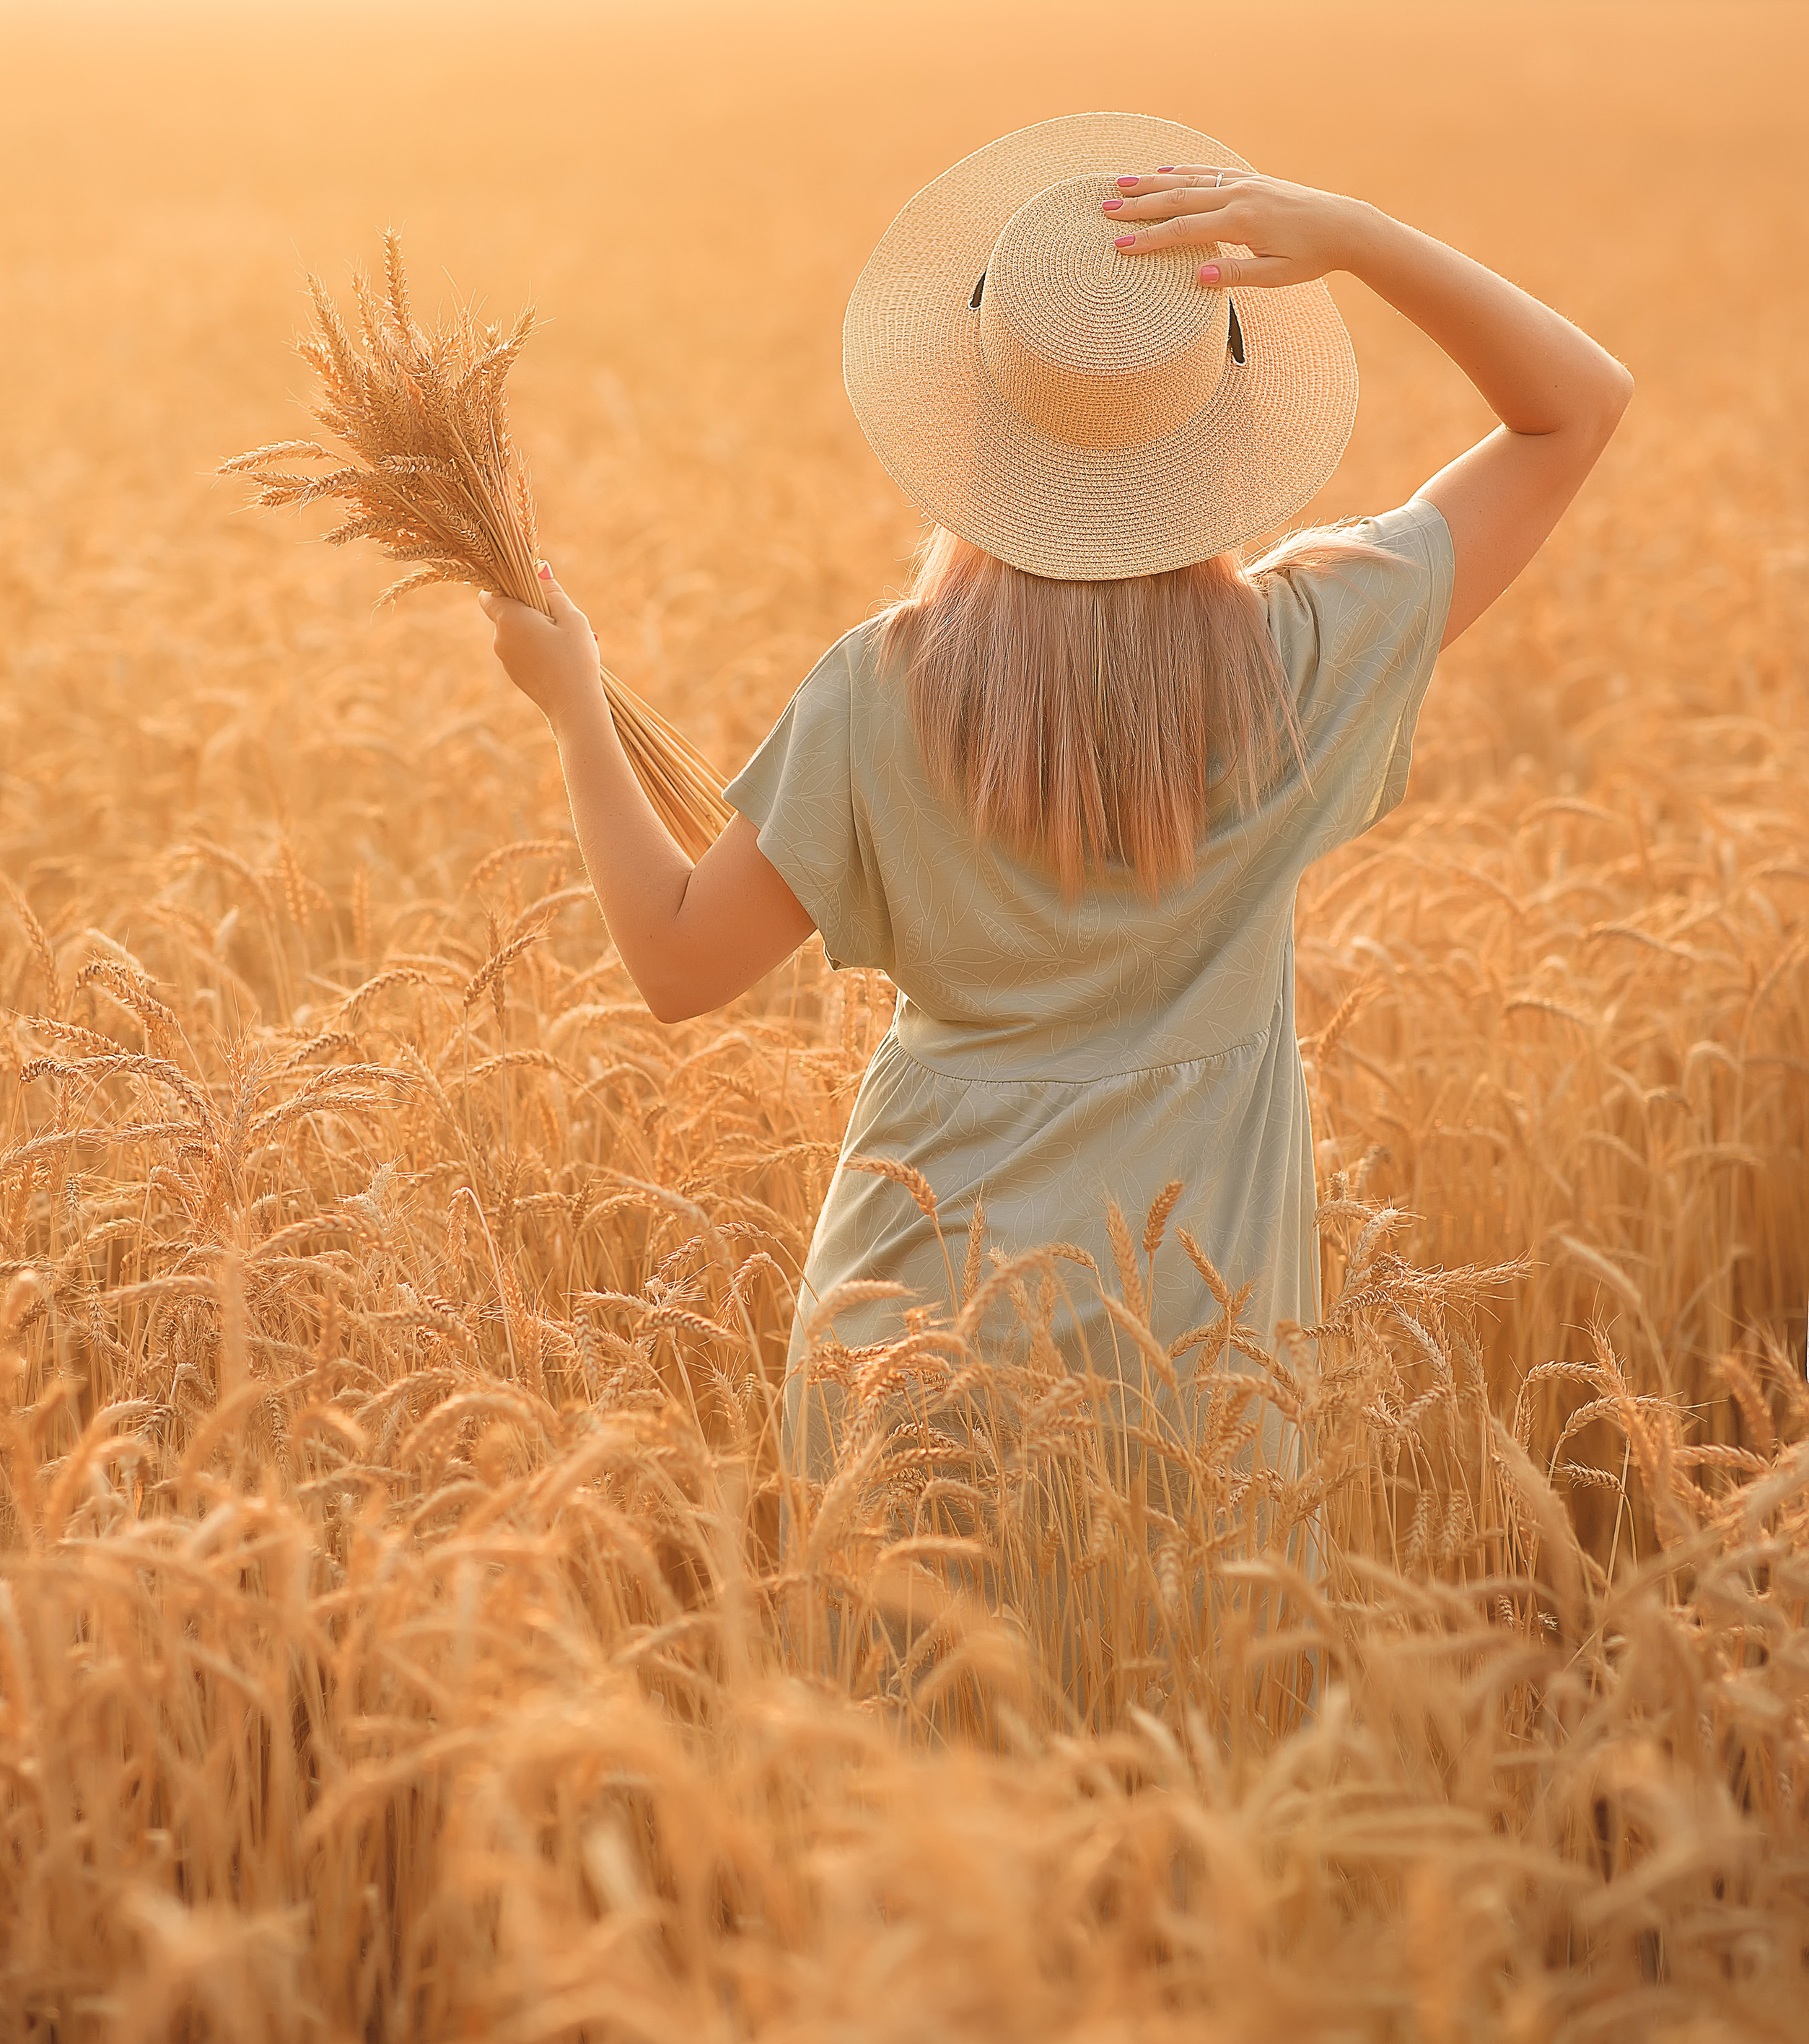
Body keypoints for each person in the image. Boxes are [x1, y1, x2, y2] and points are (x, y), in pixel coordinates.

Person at [480, 111, 1631, 1486]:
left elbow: (676, 960)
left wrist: (575, 703)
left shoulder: (877, 692)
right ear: (1227, 428)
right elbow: (1577, 405)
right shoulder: (1302, 661)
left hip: (903, 1353)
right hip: (1200, 1380)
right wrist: (1353, 236)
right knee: (1192, 1638)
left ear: (976, 417)